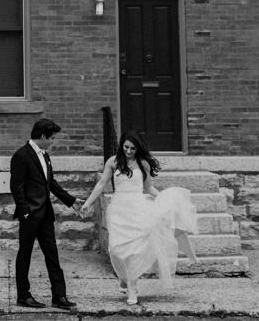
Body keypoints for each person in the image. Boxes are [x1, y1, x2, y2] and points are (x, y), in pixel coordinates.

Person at [80, 131, 198, 304]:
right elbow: (101, 183)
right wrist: (88, 203)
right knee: (115, 248)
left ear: (138, 148)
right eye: (126, 147)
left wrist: (165, 200)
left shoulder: (143, 163)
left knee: (135, 251)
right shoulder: (113, 161)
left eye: (132, 148)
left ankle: (132, 289)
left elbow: (148, 188)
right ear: (122, 145)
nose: (128, 151)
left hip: (138, 208)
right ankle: (124, 277)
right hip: (119, 208)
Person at [10, 118, 84, 310]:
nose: (53, 142)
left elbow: (50, 183)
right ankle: (23, 296)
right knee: (24, 255)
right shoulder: (21, 155)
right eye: (51, 138)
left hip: (45, 215)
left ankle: (59, 297)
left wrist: (71, 201)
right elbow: (16, 187)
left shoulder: (45, 156)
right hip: (30, 216)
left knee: (52, 255)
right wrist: (24, 211)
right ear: (42, 136)